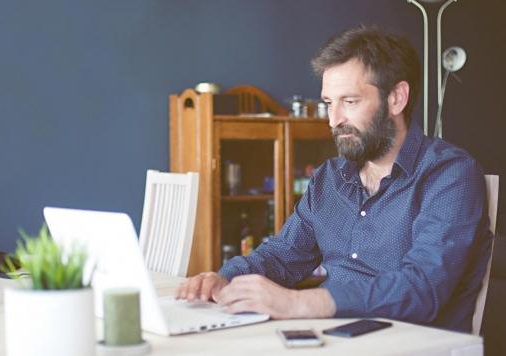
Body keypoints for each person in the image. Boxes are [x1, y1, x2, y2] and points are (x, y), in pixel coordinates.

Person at [175, 25, 492, 333]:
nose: (334, 120)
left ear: (397, 98)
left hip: (412, 344)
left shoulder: (451, 175)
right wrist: (223, 278)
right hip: (333, 338)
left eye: (349, 102)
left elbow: (422, 290)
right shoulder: (329, 178)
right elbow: (283, 255)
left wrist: (299, 304)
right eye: (328, 103)